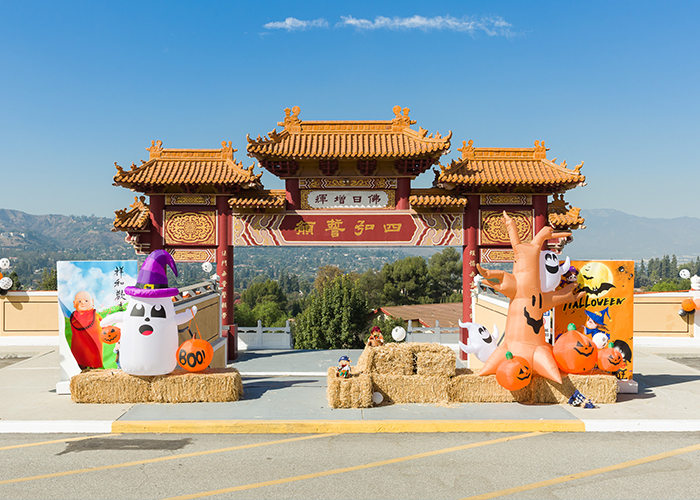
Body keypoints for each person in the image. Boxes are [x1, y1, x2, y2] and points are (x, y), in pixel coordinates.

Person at [69, 291, 103, 369]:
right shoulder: (74, 317)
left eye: (86, 301)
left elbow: (104, 326)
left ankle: (94, 367)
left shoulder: (96, 316)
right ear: (74, 304)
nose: (83, 303)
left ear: (92, 302)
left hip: (94, 343)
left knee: (93, 358)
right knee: (80, 358)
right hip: (79, 343)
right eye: (79, 301)